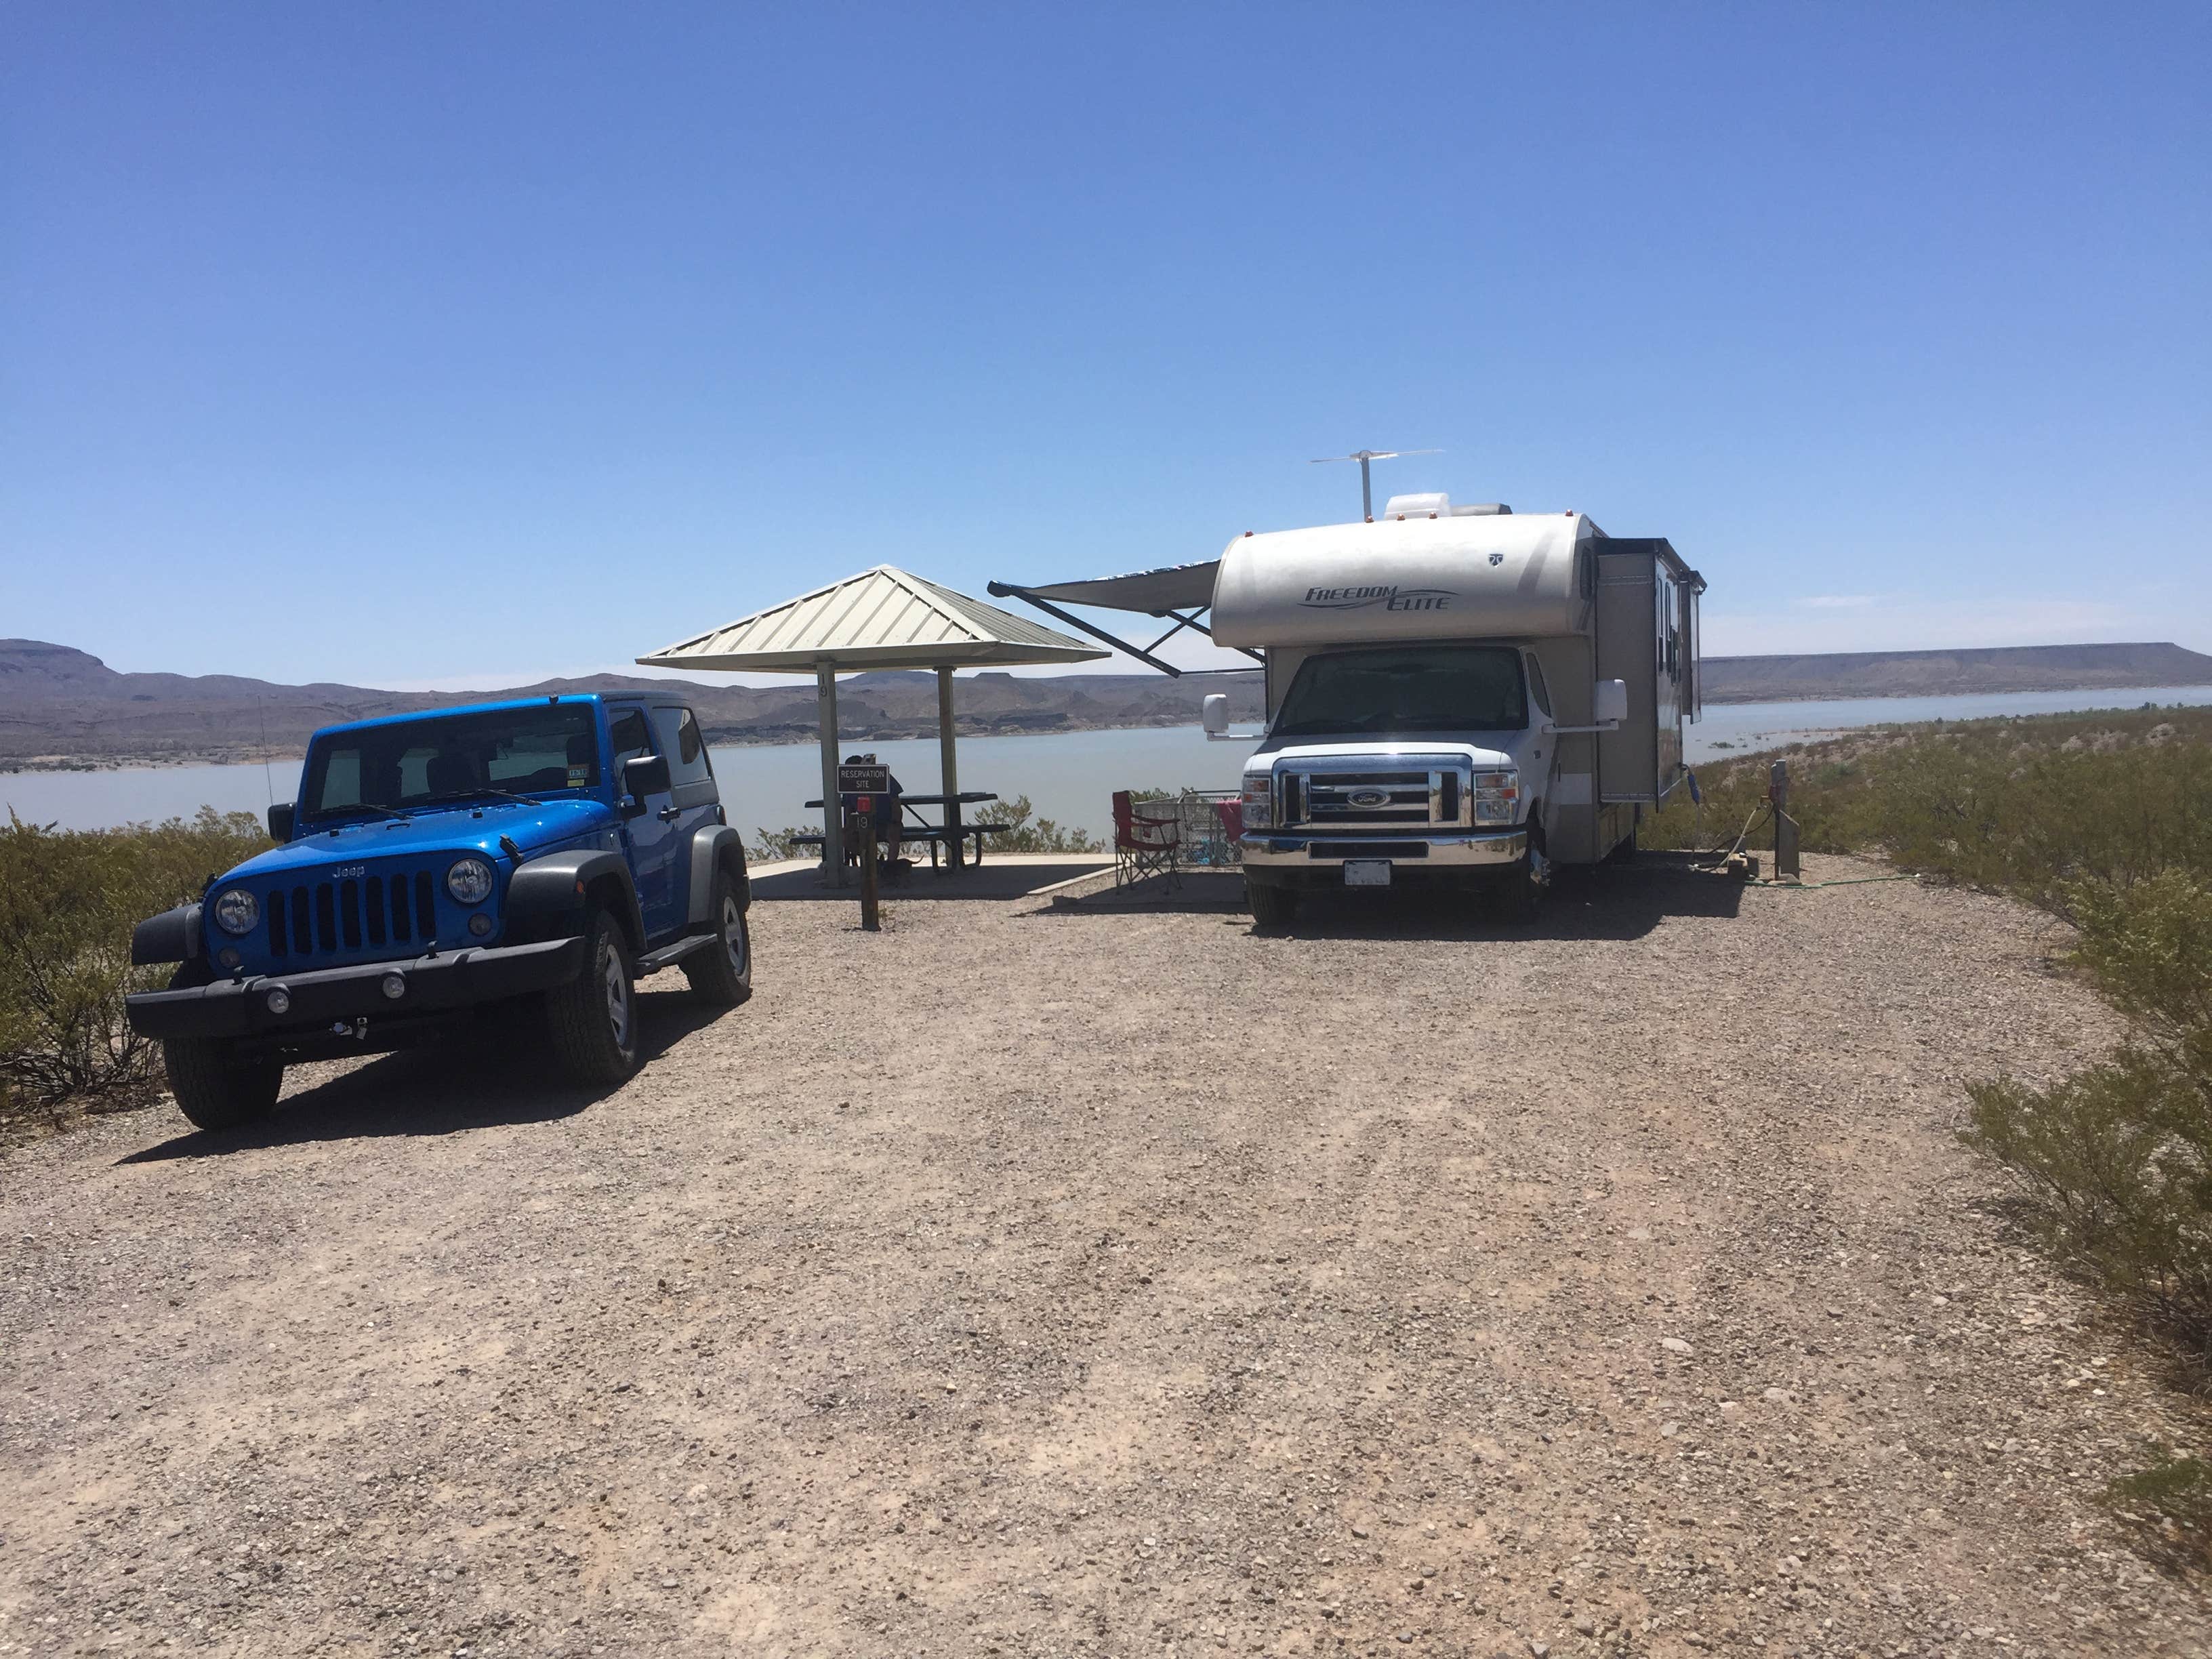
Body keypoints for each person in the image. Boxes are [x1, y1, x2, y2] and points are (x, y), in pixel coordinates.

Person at [840, 753, 906, 870]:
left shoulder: (884, 778)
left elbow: (896, 802)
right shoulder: (849, 784)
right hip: (864, 823)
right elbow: (848, 808)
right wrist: (848, 826)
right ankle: (876, 864)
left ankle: (890, 868)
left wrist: (896, 821)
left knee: (894, 837)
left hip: (887, 821)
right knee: (845, 839)